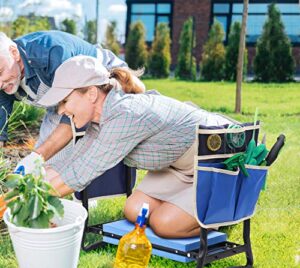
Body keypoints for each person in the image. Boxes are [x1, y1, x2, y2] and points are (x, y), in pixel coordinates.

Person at [35, 56, 233, 239]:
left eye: (65, 101)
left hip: (215, 158)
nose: (61, 110)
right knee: (134, 209)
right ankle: (188, 208)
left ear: (92, 94)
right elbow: (72, 161)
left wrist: (28, 198)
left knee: (163, 224)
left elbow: (79, 174)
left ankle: (221, 210)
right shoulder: (102, 119)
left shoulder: (125, 115)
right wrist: (28, 179)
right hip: (179, 166)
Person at [0, 30, 144, 170]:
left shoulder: (50, 54)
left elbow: (74, 114)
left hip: (104, 80)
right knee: (44, 165)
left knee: (54, 161)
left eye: (0, 72)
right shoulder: (6, 80)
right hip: (63, 99)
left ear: (14, 53)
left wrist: (36, 157)